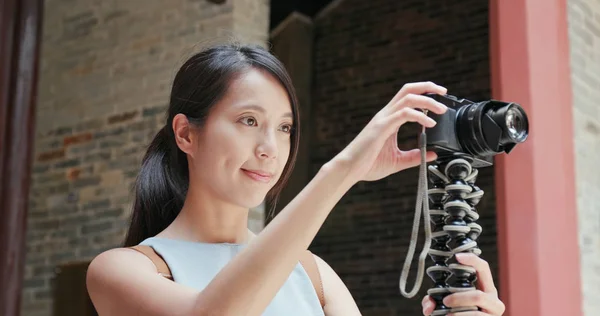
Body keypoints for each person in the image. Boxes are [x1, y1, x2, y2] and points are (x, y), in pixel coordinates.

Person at [86, 43, 506, 316]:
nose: (270, 147)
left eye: (284, 128)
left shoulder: (313, 273)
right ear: (186, 133)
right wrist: (343, 170)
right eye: (249, 120)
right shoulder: (123, 271)